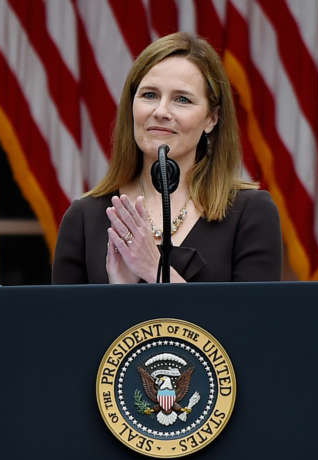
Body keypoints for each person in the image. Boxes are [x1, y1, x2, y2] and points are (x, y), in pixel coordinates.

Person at [51, 32, 282, 284]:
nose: (161, 111)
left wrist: (155, 270)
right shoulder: (83, 218)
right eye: (149, 95)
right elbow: (66, 323)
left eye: (182, 99)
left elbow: (252, 323)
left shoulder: (250, 213)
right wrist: (121, 294)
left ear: (211, 119)